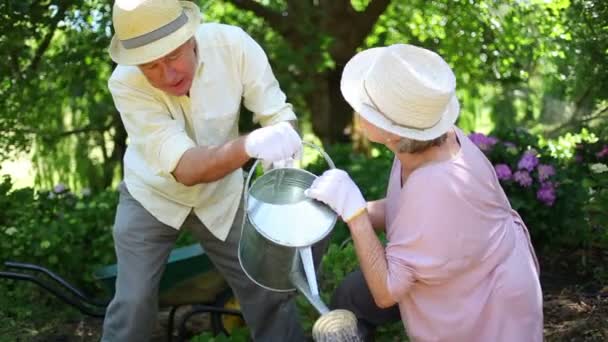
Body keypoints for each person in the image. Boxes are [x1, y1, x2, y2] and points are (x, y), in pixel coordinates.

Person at [305, 44, 544, 341]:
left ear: (391, 129)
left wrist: (355, 216)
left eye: (365, 106)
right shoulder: (421, 141)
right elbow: (408, 212)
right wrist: (349, 207)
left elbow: (386, 293)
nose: (356, 110)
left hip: (483, 303)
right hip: (460, 270)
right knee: (351, 295)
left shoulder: (436, 185)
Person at [102, 0, 310, 341]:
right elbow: (185, 169)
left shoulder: (234, 45)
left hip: (223, 194)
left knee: (269, 288)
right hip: (150, 196)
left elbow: (278, 114)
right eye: (150, 66)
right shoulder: (124, 83)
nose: (167, 75)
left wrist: (283, 141)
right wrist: (251, 145)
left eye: (172, 57)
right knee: (134, 303)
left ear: (189, 36)